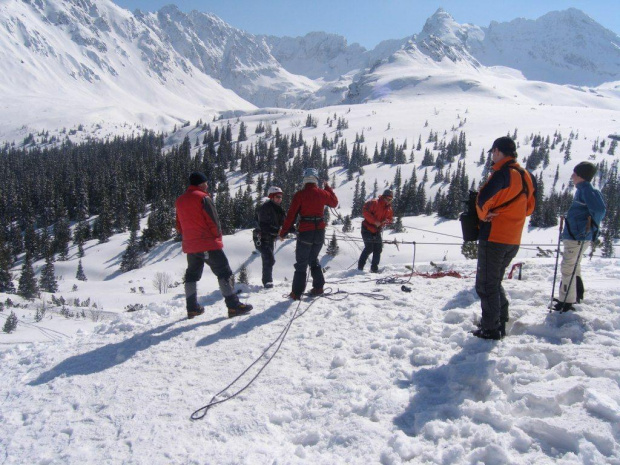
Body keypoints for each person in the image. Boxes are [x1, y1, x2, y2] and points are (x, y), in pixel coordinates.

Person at [474, 137, 536, 340]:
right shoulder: (526, 175)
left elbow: (483, 199)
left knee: (485, 284)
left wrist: (484, 216)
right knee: (494, 281)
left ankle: (490, 328)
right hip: (513, 238)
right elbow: (530, 208)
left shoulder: (502, 174)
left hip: (494, 237)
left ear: (499, 151)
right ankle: (500, 319)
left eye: (493, 152)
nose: (492, 155)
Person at [175, 172, 253, 319]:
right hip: (207, 243)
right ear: (201, 184)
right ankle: (233, 306)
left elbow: (178, 225)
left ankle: (192, 308)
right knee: (224, 272)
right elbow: (213, 220)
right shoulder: (203, 198)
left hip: (190, 245)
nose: (208, 185)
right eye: (206, 183)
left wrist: (189, 237)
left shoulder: (180, 200)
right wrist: (216, 237)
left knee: (191, 275)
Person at [553, 161, 606, 312]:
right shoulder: (583, 190)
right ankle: (575, 296)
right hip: (577, 235)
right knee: (574, 267)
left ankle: (566, 302)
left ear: (581, 176)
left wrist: (588, 228)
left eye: (575, 174)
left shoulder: (587, 191)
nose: (572, 176)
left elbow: (599, 210)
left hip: (577, 237)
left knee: (568, 267)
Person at [279, 168, 338, 300]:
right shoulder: (322, 193)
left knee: (301, 263)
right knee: (313, 260)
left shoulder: (300, 194)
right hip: (320, 232)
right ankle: (318, 287)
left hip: (306, 232)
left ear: (305, 180)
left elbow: (291, 216)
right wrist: (328, 188)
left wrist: (283, 232)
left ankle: (296, 293)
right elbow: (334, 203)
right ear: (316, 180)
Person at [256, 186, 286, 288]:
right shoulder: (265, 208)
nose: (280, 199)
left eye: (281, 197)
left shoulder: (279, 209)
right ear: (272, 197)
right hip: (261, 238)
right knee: (269, 258)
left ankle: (268, 281)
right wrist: (279, 232)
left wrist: (295, 231)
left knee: (269, 259)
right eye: (278, 197)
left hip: (270, 238)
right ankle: (267, 281)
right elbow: (264, 226)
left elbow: (284, 224)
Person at [358, 189, 394, 272]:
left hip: (377, 230)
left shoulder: (389, 209)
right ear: (383, 197)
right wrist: (374, 221)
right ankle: (360, 268)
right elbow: (365, 211)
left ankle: (374, 268)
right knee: (369, 247)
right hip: (367, 228)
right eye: (388, 199)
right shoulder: (374, 203)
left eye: (391, 199)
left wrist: (386, 221)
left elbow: (390, 219)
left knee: (378, 248)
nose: (389, 201)